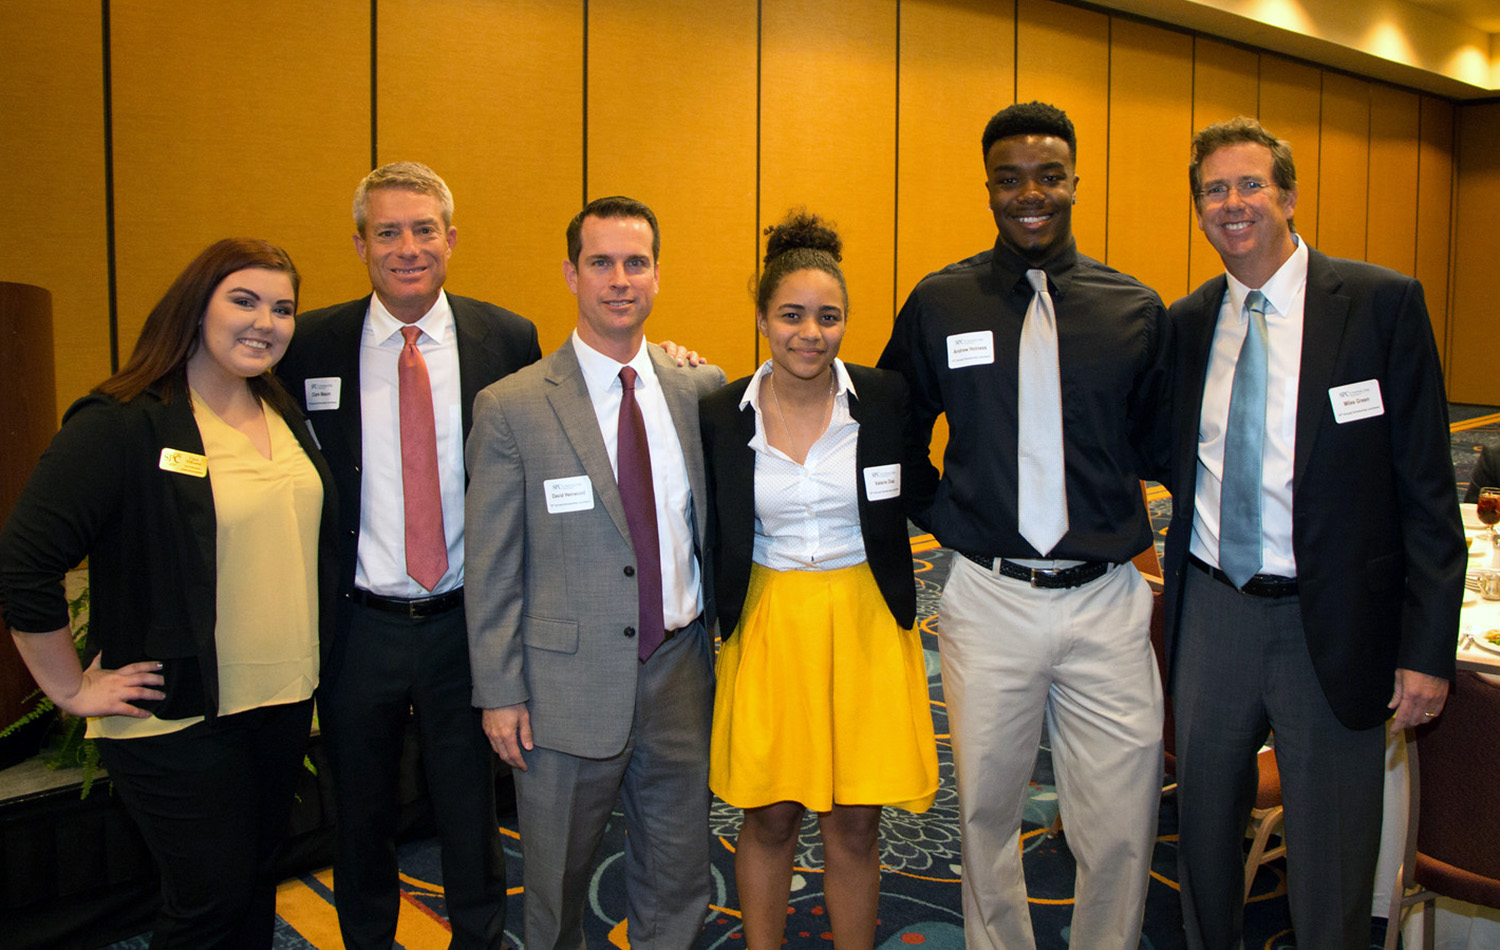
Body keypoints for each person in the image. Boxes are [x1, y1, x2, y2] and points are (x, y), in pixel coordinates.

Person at [1159, 115, 1464, 950]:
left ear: (1288, 196)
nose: (1233, 203)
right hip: (1215, 615)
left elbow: (1428, 491)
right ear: (1199, 211)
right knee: (1206, 841)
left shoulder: (1379, 306)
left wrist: (1428, 646)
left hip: (1332, 622)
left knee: (1333, 852)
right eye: (1214, 190)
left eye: (1250, 184)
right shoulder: (1187, 327)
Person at [876, 101, 1172, 950]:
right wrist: (945, 515)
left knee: (1119, 823)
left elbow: (1161, 445)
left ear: (1076, 182)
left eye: (1048, 176)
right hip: (990, 599)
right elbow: (896, 430)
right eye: (1010, 180)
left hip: (1106, 599)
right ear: (990, 190)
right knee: (983, 813)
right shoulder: (941, 301)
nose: (1030, 194)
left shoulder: (1134, 310)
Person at [0, 238, 338, 947]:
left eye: (282, 308)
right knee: (206, 907)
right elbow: (24, 561)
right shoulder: (124, 422)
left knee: (250, 890)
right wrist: (68, 689)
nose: (265, 321)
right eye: (243, 300)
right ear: (194, 308)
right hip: (178, 716)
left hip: (279, 707)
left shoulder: (279, 411)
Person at [275, 162, 540, 950]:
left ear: (451, 240)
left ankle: (480, 936)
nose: (407, 247)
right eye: (386, 232)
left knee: (471, 803)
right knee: (361, 809)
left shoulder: (508, 338)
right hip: (361, 626)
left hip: (468, 619)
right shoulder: (312, 344)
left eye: (424, 229)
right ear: (359, 244)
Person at [464, 196, 726, 950]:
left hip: (679, 671)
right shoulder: (512, 406)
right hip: (560, 687)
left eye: (635, 263)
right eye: (601, 263)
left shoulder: (700, 390)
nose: (620, 279)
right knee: (556, 884)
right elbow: (491, 568)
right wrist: (500, 691)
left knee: (678, 873)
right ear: (571, 274)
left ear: (657, 275)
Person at [700, 211, 938, 949]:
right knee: (769, 815)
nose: (811, 333)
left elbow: (933, 484)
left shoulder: (888, 400)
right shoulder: (717, 410)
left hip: (865, 617)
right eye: (792, 315)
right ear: (764, 317)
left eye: (828, 317)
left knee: (856, 821)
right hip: (770, 620)